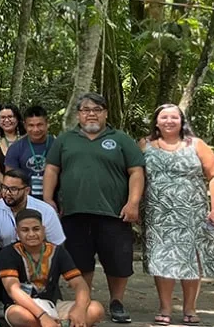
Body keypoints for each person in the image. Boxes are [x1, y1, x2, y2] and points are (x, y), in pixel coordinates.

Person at [43, 92, 145, 323]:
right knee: (79, 260)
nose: (91, 114)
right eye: (86, 110)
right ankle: (84, 300)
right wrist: (48, 200)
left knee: (118, 260)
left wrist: (133, 202)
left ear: (105, 113)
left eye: (97, 109)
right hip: (73, 212)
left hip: (114, 213)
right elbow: (51, 169)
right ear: (78, 114)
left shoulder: (121, 139)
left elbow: (136, 171)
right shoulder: (65, 140)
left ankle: (117, 301)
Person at [141, 104, 214, 326]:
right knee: (162, 257)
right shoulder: (144, 144)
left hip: (192, 213)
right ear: (156, 122)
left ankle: (190, 308)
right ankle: (165, 308)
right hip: (158, 213)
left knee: (192, 258)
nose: (169, 121)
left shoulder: (197, 145)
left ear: (182, 121)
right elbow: (133, 175)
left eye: (174, 117)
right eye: (164, 117)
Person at [0, 209, 105, 327]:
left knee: (96, 309)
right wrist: (42, 316)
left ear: (43, 230)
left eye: (36, 229)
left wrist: (79, 309)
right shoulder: (8, 253)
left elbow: (79, 283)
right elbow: (13, 290)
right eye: (25, 230)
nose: (31, 234)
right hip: (24, 306)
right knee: (17, 315)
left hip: (53, 305)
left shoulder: (57, 251)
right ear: (17, 233)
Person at [0, 170, 65, 304]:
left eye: (13, 189)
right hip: (7, 257)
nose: (7, 193)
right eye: (4, 187)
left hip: (37, 256)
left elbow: (58, 245)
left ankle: (46, 293)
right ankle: (1, 300)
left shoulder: (45, 210)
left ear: (27, 190)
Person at [4, 106, 55, 200]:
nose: (36, 130)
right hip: (25, 201)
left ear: (47, 123)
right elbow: (10, 181)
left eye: (40, 125)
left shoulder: (57, 145)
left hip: (52, 201)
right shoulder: (16, 148)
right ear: (25, 125)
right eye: (31, 125)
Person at [0, 104, 26, 188]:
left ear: (17, 118)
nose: (7, 120)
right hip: (6, 191)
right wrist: (10, 189)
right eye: (3, 117)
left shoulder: (27, 138)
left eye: (10, 117)